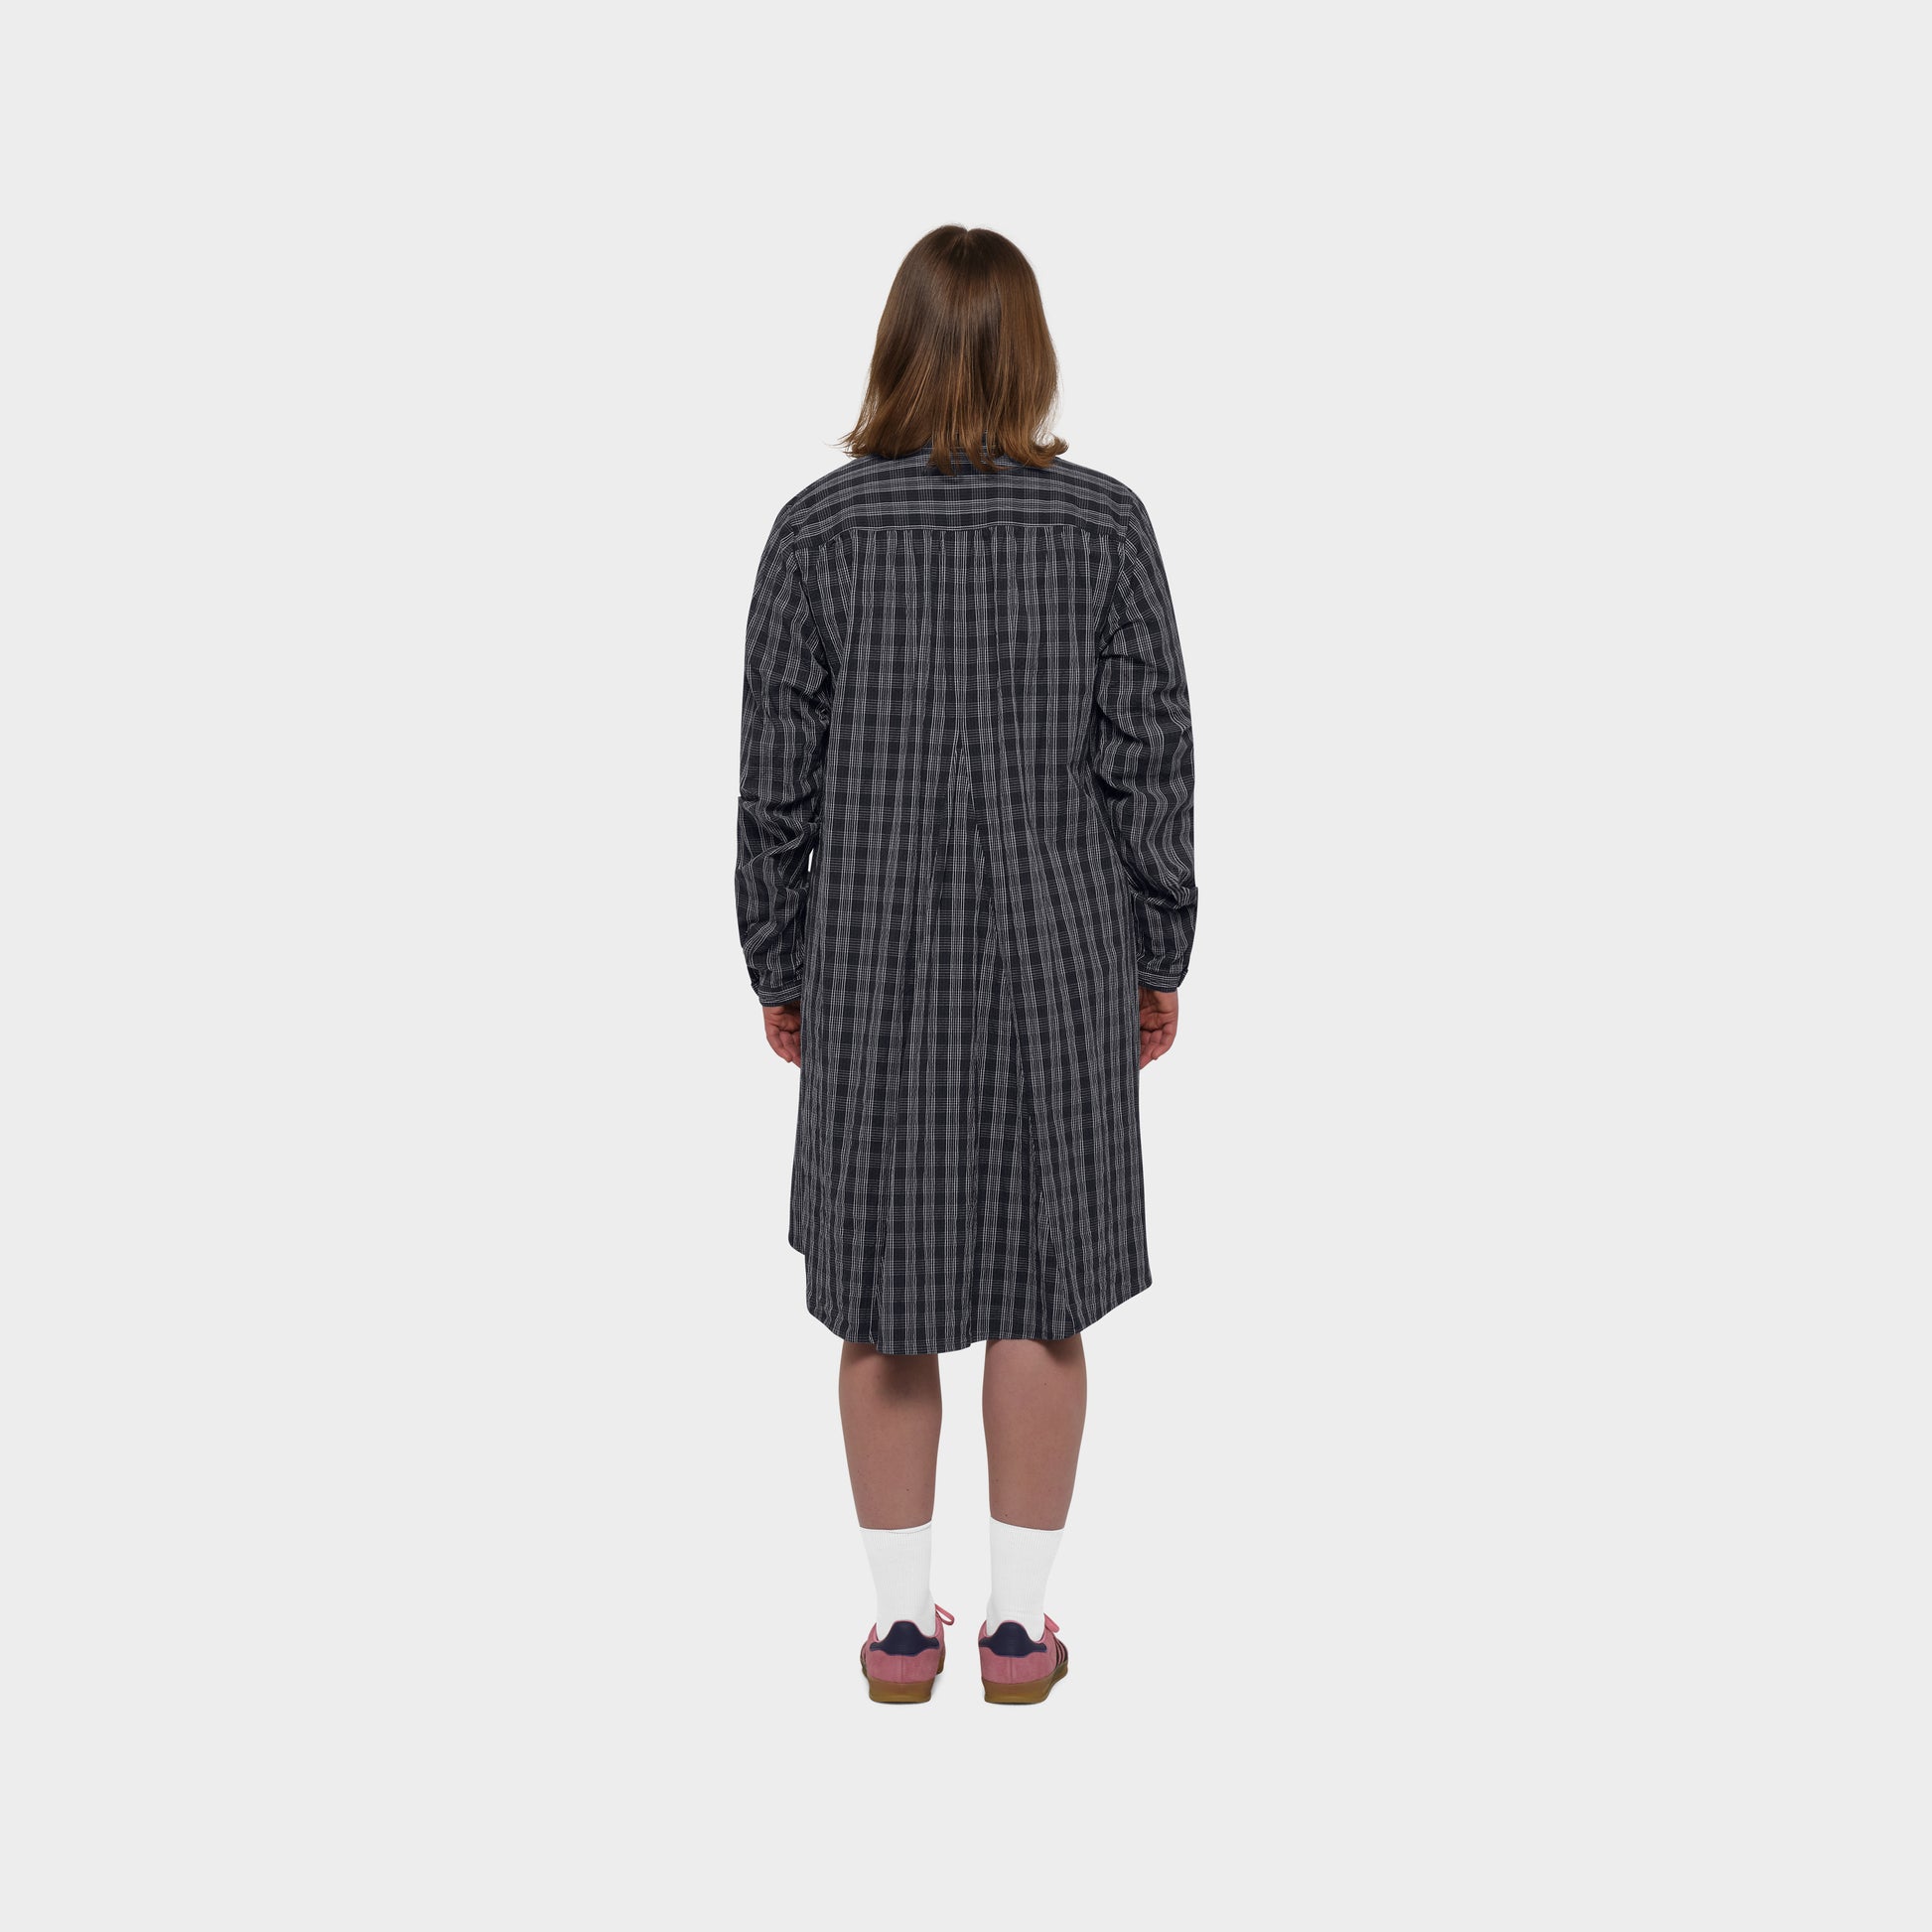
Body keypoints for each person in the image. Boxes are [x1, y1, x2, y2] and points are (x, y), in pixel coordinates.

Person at [735, 226, 1197, 1705]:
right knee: (1041, 1290)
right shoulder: (1103, 524)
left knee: (884, 1299)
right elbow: (1149, 758)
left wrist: (779, 959)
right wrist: (1158, 946)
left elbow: (775, 780)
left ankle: (895, 1632)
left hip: (872, 952)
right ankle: (1014, 1632)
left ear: (894, 347)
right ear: (1031, 351)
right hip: (1062, 947)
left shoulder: (818, 531)